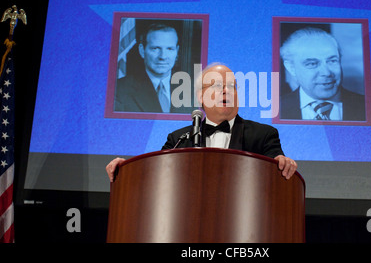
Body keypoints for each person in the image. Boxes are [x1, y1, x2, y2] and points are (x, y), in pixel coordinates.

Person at [106, 63, 298, 181]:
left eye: (232, 86)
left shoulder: (263, 135)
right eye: (217, 86)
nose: (226, 91)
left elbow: (277, 166)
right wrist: (127, 169)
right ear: (201, 97)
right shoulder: (178, 139)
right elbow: (155, 172)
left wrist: (283, 162)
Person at [279, 27, 366, 121]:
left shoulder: (367, 106)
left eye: (332, 61)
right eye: (312, 64)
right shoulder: (277, 109)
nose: (327, 73)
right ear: (291, 68)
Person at [114, 23, 179, 113]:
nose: (163, 56)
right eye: (155, 48)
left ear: (177, 51)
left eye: (169, 49)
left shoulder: (192, 88)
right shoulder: (119, 90)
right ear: (142, 50)